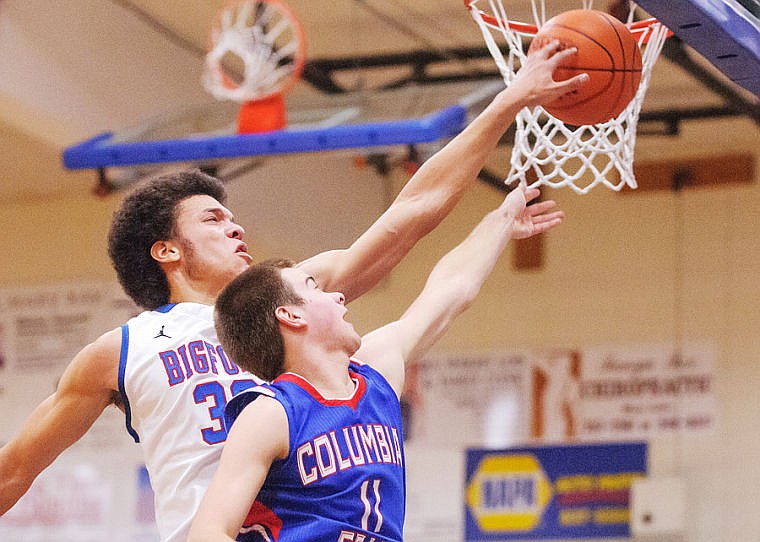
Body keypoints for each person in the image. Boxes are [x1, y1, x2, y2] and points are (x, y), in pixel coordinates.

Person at [0, 40, 586, 542]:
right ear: (166, 251)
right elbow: (16, 470)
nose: (236, 226)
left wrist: (508, 102)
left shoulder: (287, 298)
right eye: (211, 219)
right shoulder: (119, 351)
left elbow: (413, 212)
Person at [189, 181, 563, 542]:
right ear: (291, 316)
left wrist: (499, 222)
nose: (337, 296)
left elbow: (451, 291)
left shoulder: (376, 373)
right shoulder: (271, 413)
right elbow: (207, 533)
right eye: (314, 288)